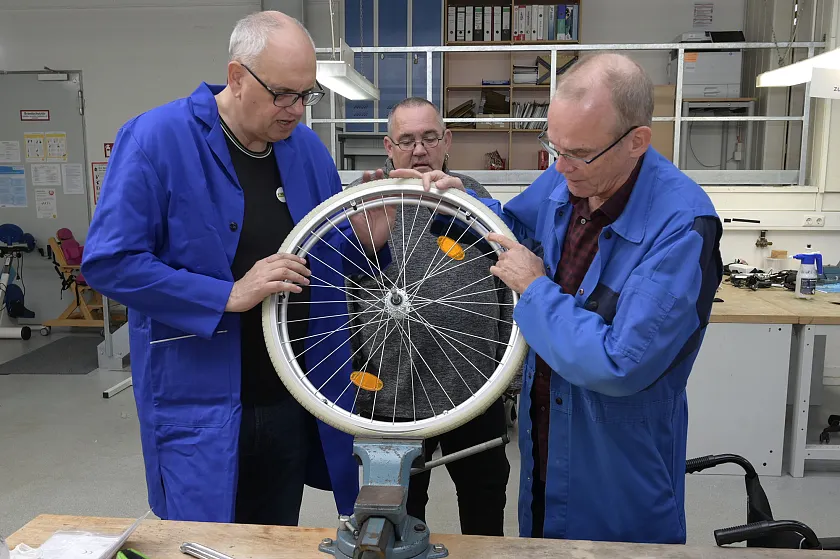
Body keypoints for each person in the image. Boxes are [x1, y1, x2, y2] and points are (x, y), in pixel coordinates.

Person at [81, 11, 395, 525]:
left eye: (307, 95)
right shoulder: (156, 140)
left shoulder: (306, 152)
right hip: (198, 401)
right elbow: (110, 263)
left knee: (274, 536)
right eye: (283, 95)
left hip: (292, 397)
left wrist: (368, 240)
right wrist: (226, 295)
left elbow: (326, 265)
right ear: (237, 77)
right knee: (203, 542)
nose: (296, 110)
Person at [399, 53, 723, 544]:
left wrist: (534, 289)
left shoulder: (681, 226)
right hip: (547, 430)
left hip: (618, 454)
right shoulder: (572, 173)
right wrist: (461, 203)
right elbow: (516, 229)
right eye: (553, 146)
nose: (560, 165)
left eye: (578, 153)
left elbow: (621, 363)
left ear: (636, 141)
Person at [345, 97, 513, 536]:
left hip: (475, 390)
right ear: (389, 146)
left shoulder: (474, 196)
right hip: (394, 397)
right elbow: (341, 290)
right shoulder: (365, 199)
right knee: (394, 519)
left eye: (429, 137)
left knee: (484, 511)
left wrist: (505, 375)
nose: (419, 150)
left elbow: (507, 280)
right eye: (407, 140)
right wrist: (367, 247)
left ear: (447, 141)